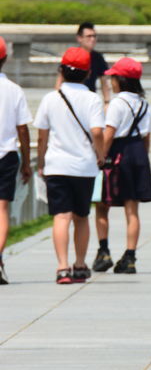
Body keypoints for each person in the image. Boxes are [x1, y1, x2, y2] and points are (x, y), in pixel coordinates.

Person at [33, 46, 105, 284]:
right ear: (88, 73)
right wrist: (101, 153)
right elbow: (97, 131)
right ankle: (80, 264)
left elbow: (42, 135)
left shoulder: (51, 99)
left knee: (61, 217)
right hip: (84, 166)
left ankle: (62, 267)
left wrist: (41, 160)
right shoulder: (93, 99)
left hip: (56, 164)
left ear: (61, 70)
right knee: (81, 216)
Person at [97, 57, 151, 275]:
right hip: (138, 152)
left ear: (120, 80)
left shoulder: (117, 103)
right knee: (132, 209)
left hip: (118, 153)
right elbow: (147, 136)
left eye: (113, 78)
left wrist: (100, 156)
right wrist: (142, 158)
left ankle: (103, 251)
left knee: (103, 204)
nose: (111, 82)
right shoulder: (145, 104)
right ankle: (130, 256)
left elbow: (108, 134)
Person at [0, 36, 32, 286]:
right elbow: (23, 129)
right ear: (5, 59)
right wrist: (26, 163)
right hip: (7, 155)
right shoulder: (14, 90)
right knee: (2, 210)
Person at [75, 22, 110, 99]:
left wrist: (107, 102)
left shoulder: (98, 57)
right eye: (89, 36)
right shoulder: (72, 56)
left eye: (94, 36)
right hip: (73, 98)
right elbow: (61, 79)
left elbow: (104, 82)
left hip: (90, 99)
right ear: (79, 38)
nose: (93, 39)